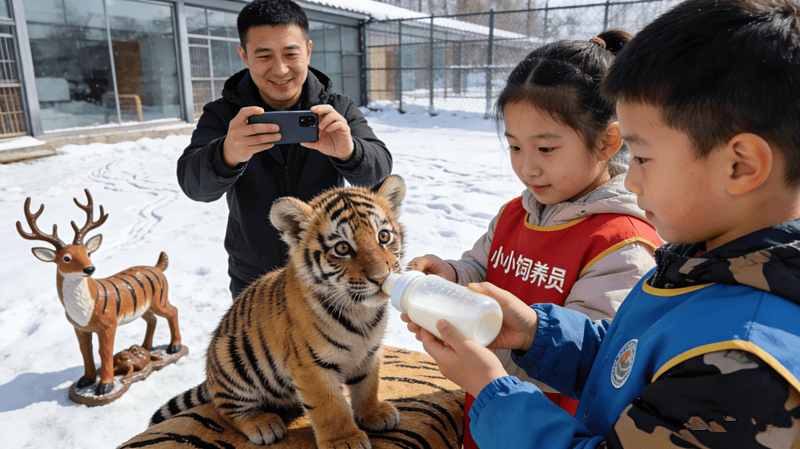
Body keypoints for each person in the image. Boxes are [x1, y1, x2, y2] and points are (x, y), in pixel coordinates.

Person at [403, 0, 800, 447]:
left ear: (740, 165)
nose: (630, 178)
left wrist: (494, 392)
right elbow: (626, 367)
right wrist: (536, 335)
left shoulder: (742, 367)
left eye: (645, 158)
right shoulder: (699, 263)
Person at [405, 29, 662, 448]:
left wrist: (480, 365)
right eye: (515, 148)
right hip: (490, 410)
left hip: (547, 426)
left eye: (545, 149)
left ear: (606, 142)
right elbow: (482, 268)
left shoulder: (621, 242)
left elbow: (593, 358)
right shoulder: (514, 213)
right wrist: (451, 275)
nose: (528, 168)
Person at [177, 0, 392, 299]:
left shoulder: (337, 108)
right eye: (263, 55)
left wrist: (350, 151)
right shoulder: (223, 115)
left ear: (308, 50)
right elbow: (194, 186)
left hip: (334, 274)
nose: (280, 69)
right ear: (244, 55)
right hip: (255, 277)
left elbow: (379, 170)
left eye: (291, 53)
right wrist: (227, 154)